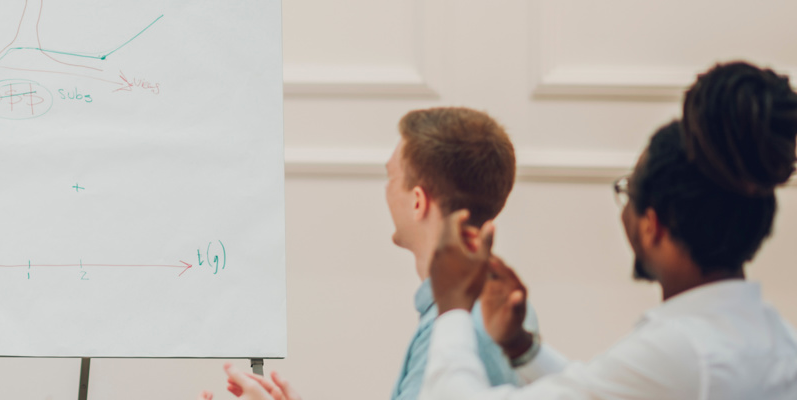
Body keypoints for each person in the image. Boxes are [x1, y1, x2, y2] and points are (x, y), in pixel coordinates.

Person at [423, 61, 797, 399]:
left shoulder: (686, 353)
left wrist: (452, 305)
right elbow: (606, 389)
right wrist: (523, 348)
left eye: (628, 193)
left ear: (653, 225)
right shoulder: (772, 336)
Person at [200, 107, 533, 399]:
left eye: (391, 177)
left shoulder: (451, 331)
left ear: (418, 202)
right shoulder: (502, 308)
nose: (386, 190)